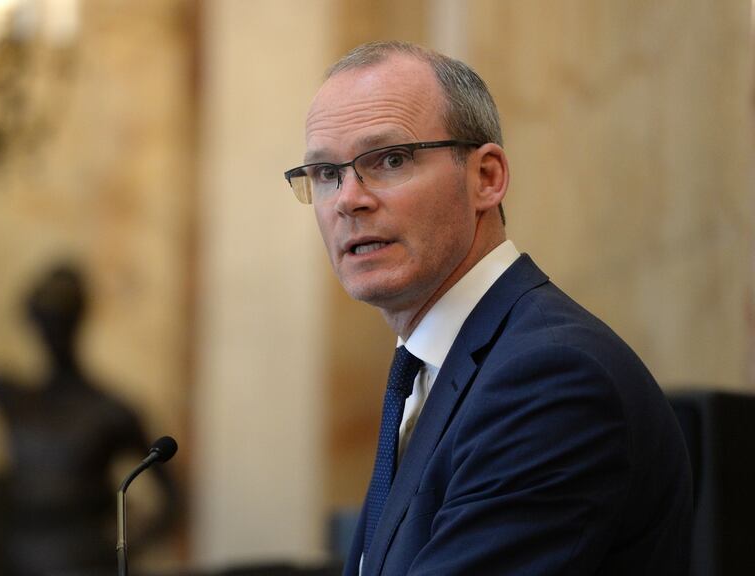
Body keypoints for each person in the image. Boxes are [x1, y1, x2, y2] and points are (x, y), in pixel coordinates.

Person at [284, 41, 692, 575]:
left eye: (389, 159)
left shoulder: (549, 378)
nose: (348, 199)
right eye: (325, 173)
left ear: (486, 178)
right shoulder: (432, 365)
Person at [0, 251, 177, 576]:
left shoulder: (110, 410)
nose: (53, 331)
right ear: (34, 323)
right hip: (18, 556)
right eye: (46, 319)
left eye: (61, 319)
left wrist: (128, 546)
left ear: (77, 321)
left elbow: (173, 498)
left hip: (85, 558)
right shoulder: (14, 397)